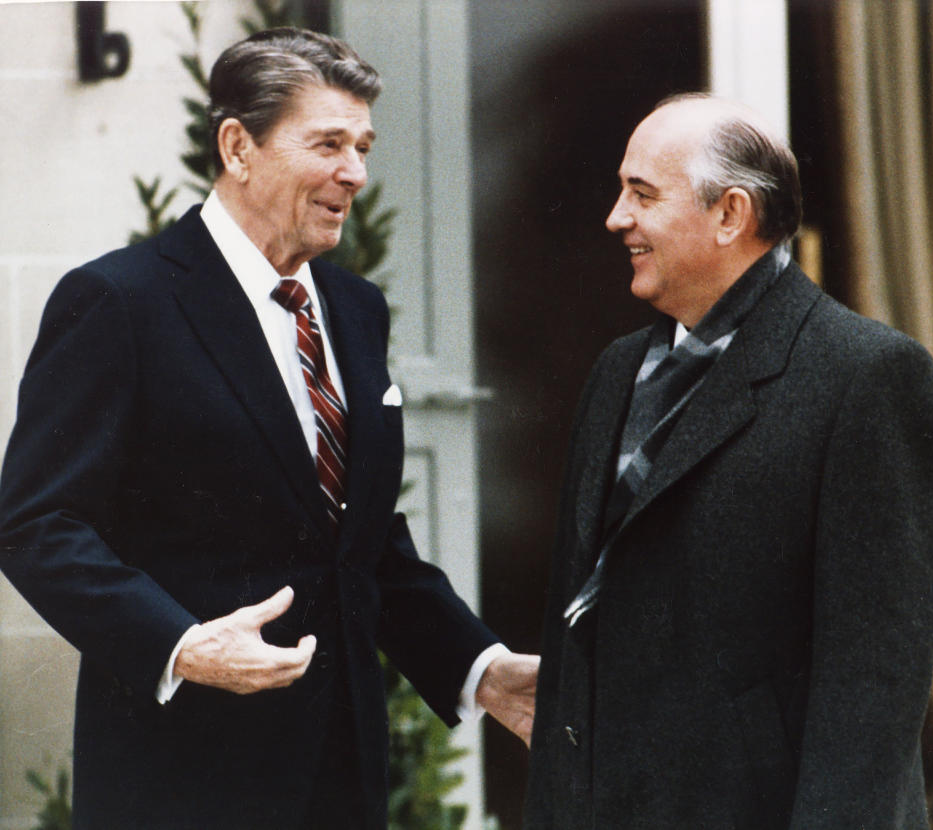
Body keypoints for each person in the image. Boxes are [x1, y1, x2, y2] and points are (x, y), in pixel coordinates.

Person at [0, 28, 537, 830]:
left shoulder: (356, 309)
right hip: (182, 776)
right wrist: (180, 645)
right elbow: (38, 524)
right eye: (327, 143)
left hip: (342, 774)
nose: (354, 173)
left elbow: (356, 544)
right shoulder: (121, 302)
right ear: (237, 146)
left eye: (362, 145)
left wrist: (481, 669)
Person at [524, 93, 933, 829]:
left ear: (731, 214)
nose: (615, 217)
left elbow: (872, 689)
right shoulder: (616, 372)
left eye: (642, 194)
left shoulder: (868, 375)